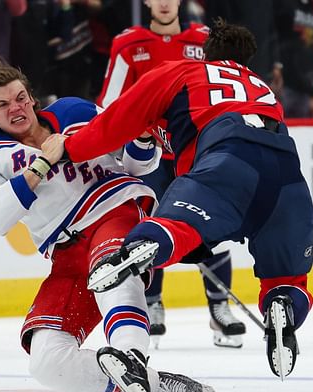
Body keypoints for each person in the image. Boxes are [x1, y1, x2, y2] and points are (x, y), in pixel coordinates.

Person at [42, 20, 313, 381]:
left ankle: (145, 246)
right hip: (287, 176)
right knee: (288, 275)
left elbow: (115, 123)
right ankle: (284, 306)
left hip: (228, 159)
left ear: (205, 56)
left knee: (179, 225)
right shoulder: (260, 87)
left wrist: (70, 147)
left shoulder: (182, 71)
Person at [0, 58, 218, 392]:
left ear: (32, 98)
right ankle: (156, 383)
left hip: (116, 211)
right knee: (46, 362)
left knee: (112, 269)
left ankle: (131, 353)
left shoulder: (75, 111)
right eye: (3, 105)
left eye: (20, 98)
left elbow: (137, 165)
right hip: (65, 253)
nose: (15, 108)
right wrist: (39, 166)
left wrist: (141, 138)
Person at [97, 0, 245, 349]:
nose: (163, 2)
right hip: (149, 156)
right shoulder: (128, 44)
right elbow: (109, 105)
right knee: (151, 223)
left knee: (211, 222)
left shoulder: (205, 40)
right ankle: (152, 304)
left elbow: (224, 91)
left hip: (197, 152)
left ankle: (219, 307)